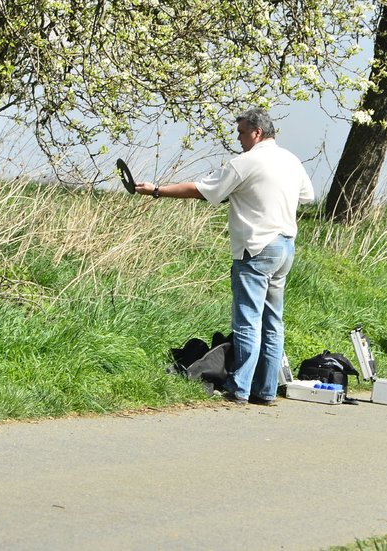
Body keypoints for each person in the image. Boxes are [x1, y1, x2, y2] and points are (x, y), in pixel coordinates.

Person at [134, 108, 314, 406]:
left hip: (255, 248)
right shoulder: (291, 160)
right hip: (285, 247)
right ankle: (265, 390)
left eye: (242, 132)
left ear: (257, 132)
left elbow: (202, 190)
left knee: (247, 322)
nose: (239, 138)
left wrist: (156, 191)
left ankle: (239, 388)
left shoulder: (245, 162)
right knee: (273, 323)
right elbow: (306, 196)